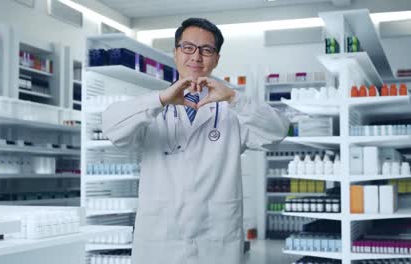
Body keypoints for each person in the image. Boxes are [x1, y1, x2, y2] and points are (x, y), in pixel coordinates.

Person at [103, 17, 289, 264]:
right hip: (161, 239)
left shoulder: (232, 110)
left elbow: (277, 131)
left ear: (217, 58)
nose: (196, 56)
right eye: (188, 47)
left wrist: (234, 98)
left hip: (215, 240)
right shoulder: (152, 107)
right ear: (176, 52)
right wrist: (160, 100)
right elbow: (111, 128)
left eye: (207, 50)